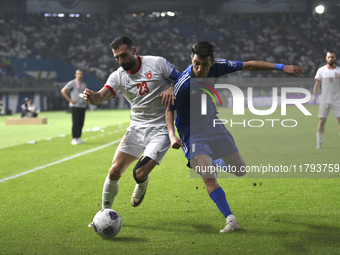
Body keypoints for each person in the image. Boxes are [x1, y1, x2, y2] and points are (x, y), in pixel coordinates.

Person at [165, 41, 303, 233]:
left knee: (240, 170)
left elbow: (249, 65)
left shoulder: (219, 66)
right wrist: (172, 135)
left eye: (204, 65)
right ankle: (231, 219)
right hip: (192, 132)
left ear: (212, 63)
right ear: (191, 58)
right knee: (209, 178)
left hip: (213, 124)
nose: (199, 68)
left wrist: (282, 67)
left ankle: (216, 161)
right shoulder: (184, 83)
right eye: (196, 63)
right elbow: (169, 110)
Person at [83, 36, 181, 226]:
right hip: (136, 128)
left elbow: (183, 81)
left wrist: (171, 87)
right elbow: (100, 97)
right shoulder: (118, 76)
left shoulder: (157, 63)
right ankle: (104, 213)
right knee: (114, 171)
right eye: (117, 58)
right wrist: (93, 97)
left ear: (134, 50)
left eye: (124, 55)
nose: (121, 61)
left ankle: (142, 182)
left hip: (161, 129)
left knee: (139, 173)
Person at [313, 51, 340, 149]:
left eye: (332, 57)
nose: (330, 59)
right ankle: (319, 144)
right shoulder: (321, 70)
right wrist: (314, 96)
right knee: (322, 121)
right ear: (326, 58)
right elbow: (317, 84)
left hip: (337, 99)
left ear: (335, 58)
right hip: (324, 99)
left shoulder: (339, 70)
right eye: (329, 57)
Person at [61, 69, 87, 145]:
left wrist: (86, 100)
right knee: (75, 122)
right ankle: (74, 138)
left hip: (82, 105)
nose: (80, 75)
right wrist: (70, 100)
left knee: (81, 122)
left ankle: (78, 137)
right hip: (75, 106)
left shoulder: (83, 84)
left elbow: (84, 93)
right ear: (75, 75)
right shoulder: (72, 83)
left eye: (81, 74)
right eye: (78, 74)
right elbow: (63, 91)